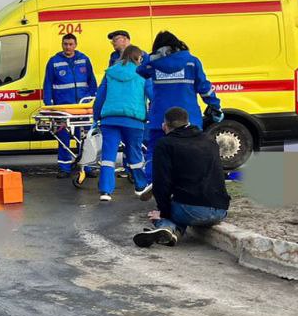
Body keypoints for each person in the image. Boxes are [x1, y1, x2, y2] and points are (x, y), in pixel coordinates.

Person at [134, 106, 230, 247]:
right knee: (182, 202)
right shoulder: (209, 140)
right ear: (188, 122)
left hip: (189, 210)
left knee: (167, 209)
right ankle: (172, 234)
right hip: (220, 210)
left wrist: (163, 213)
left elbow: (161, 183)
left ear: (165, 125)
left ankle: (165, 226)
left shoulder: (165, 144)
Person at [136, 30, 221, 178]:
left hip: (161, 119)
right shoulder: (192, 62)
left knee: (156, 152)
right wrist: (215, 105)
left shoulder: (154, 65)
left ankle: (152, 180)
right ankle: (193, 179)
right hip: (189, 119)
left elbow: (140, 71)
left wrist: (152, 57)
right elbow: (204, 87)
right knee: (192, 152)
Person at [93, 45, 153, 202]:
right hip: (134, 120)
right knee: (135, 154)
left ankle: (105, 191)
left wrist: (96, 117)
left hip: (110, 119)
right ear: (138, 58)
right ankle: (140, 186)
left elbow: (100, 96)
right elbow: (153, 96)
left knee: (108, 155)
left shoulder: (110, 72)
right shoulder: (142, 74)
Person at [42, 32, 97, 177]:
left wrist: (92, 100)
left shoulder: (84, 59)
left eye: (71, 44)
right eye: (65, 44)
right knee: (64, 137)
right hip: (63, 108)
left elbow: (92, 82)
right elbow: (47, 84)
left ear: (75, 45)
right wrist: (49, 105)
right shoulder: (54, 61)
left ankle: (87, 167)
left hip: (82, 107)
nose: (68, 47)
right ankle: (64, 168)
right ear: (62, 45)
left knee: (86, 137)